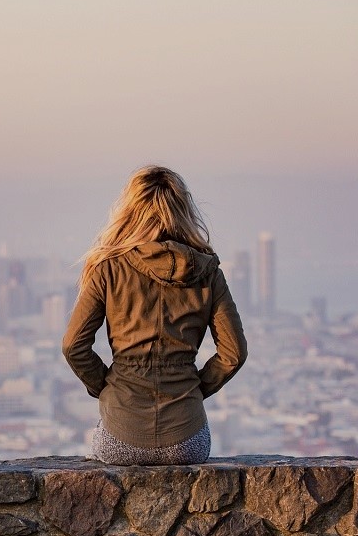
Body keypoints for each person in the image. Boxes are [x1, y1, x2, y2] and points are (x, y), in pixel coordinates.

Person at [62, 165, 247, 465]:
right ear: (183, 210)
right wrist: (194, 389)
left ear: (130, 211)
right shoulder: (208, 271)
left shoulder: (108, 268)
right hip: (188, 440)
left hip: (120, 435)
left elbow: (73, 346)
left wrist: (108, 387)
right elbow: (234, 353)